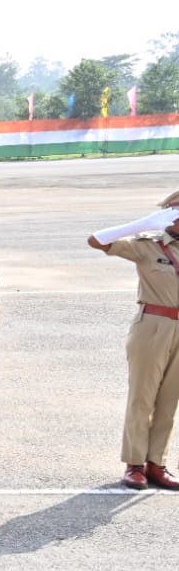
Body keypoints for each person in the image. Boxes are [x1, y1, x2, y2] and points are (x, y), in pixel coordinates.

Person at [87, 192, 179, 489]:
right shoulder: (147, 245)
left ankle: (157, 463)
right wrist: (145, 223)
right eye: (176, 211)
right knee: (143, 397)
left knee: (169, 400)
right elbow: (96, 240)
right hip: (152, 324)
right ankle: (135, 463)